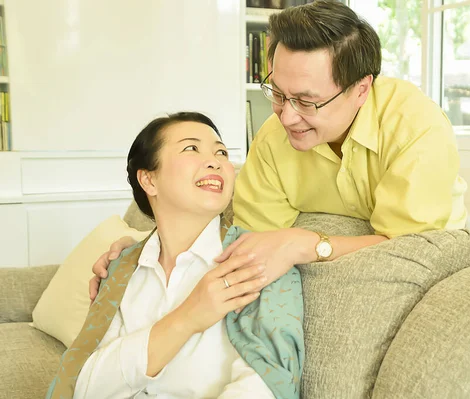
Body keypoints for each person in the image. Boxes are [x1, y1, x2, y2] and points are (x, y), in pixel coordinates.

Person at [89, 0, 467, 304]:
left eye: (306, 101)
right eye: (278, 93)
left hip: (425, 271)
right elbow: (247, 238)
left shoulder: (416, 126)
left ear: (361, 89)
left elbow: (409, 247)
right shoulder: (272, 139)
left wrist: (307, 242)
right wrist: (145, 253)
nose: (286, 116)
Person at [46, 112, 303, 399]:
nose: (215, 161)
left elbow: (266, 385)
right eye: (191, 148)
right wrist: (187, 318)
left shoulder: (259, 259)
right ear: (148, 180)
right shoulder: (120, 269)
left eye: (221, 152)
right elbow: (86, 387)